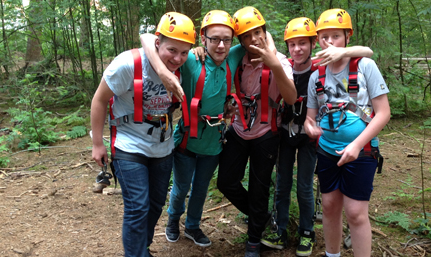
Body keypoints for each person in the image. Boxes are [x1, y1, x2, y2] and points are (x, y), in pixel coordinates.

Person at [260, 17, 373, 257]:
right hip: (287, 133)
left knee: (304, 186)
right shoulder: (284, 66)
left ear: (313, 44)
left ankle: (307, 232)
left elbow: (366, 52)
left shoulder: (321, 65)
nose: (297, 49)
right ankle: (280, 229)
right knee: (282, 184)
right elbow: (272, 100)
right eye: (292, 44)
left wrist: (342, 50)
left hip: (312, 138)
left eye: (303, 43)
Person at [139, 10, 247, 247]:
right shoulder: (189, 60)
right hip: (187, 139)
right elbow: (147, 38)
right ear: (203, 39)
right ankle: (172, 221)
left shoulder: (233, 57)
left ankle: (193, 226)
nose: (220, 45)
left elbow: (258, 41)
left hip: (213, 141)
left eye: (226, 40)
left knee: (200, 189)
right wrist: (162, 70)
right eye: (214, 39)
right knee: (180, 187)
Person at [90, 12, 195, 257]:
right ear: (158, 43)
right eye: (172, 50)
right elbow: (99, 100)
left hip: (162, 144)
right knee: (138, 206)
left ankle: (141, 247)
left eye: (184, 52)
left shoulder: (185, 63)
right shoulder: (128, 64)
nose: (178, 58)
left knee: (156, 203)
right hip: (129, 143)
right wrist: (97, 143)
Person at [303, 9, 390, 257]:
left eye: (336, 37)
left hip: (362, 151)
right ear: (317, 40)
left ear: (347, 38)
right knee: (329, 206)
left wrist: (356, 145)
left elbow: (383, 113)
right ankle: (332, 254)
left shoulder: (365, 67)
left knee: (355, 212)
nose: (329, 43)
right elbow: (310, 117)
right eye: (324, 37)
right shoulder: (315, 76)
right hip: (328, 150)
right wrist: (310, 127)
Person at [215, 6, 297, 257]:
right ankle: (260, 215)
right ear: (240, 41)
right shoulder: (237, 59)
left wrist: (274, 64)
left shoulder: (280, 61)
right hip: (239, 129)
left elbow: (291, 97)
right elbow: (214, 60)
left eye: (258, 32)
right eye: (247, 36)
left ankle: (253, 238)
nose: (254, 39)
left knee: (260, 187)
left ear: (265, 32)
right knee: (226, 181)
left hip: (266, 133)